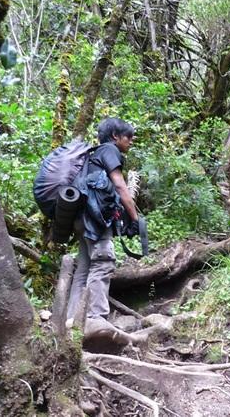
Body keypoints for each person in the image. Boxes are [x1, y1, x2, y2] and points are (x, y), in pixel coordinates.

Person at [67, 118, 140, 324]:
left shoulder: (92, 156)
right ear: (115, 136)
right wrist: (134, 217)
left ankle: (72, 320)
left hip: (80, 219)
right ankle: (95, 318)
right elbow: (119, 186)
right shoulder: (109, 150)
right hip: (96, 221)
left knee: (83, 269)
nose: (131, 141)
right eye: (128, 136)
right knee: (103, 263)